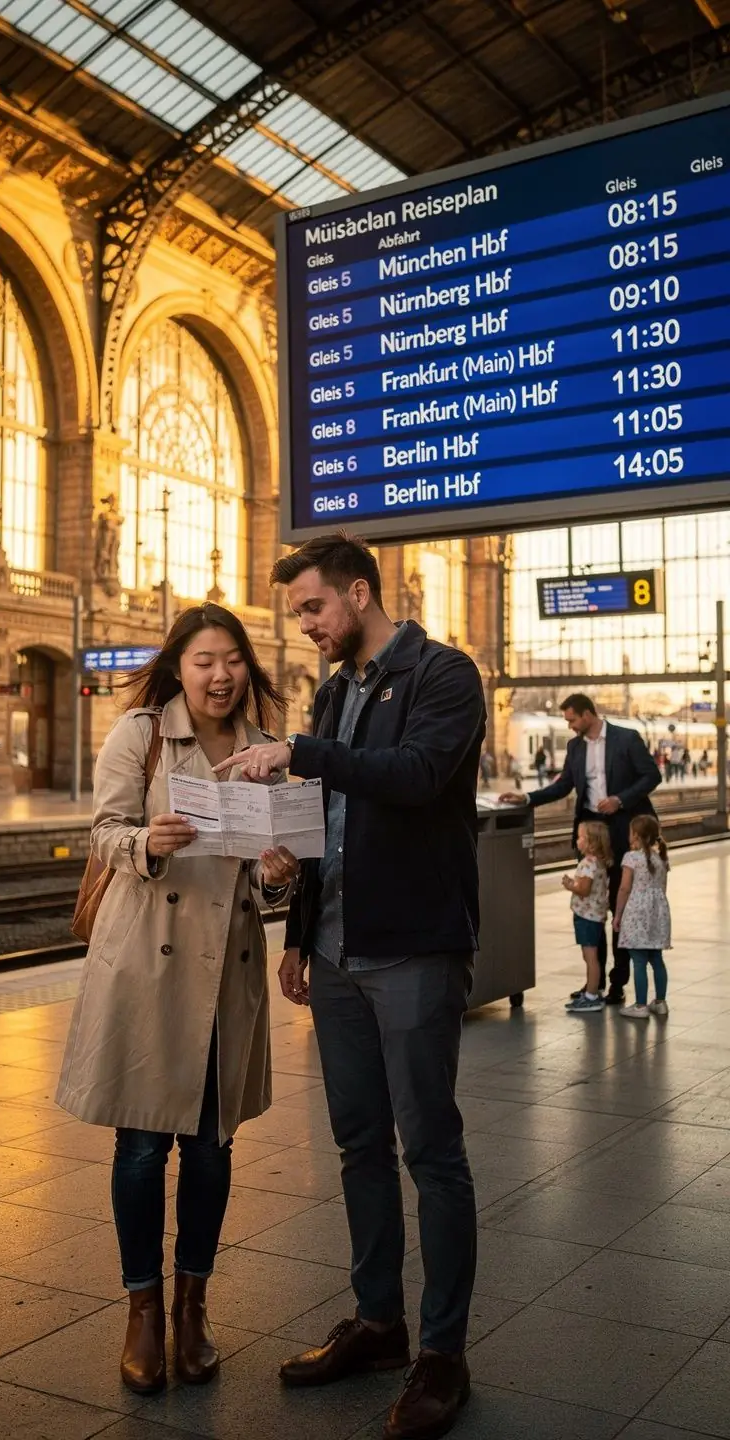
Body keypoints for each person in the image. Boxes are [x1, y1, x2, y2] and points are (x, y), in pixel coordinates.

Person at [214, 532, 486, 1440]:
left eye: (314, 609)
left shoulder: (445, 675)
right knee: (359, 1146)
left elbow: (413, 778)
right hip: (334, 956)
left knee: (431, 1153)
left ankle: (442, 1356)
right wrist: (295, 923)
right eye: (298, 614)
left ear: (360, 593)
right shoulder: (331, 691)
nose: (306, 628)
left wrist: (299, 751)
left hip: (412, 951)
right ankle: (379, 1322)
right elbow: (323, 820)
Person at [56, 604, 298, 1396]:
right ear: (179, 666)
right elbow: (103, 830)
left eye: (231, 660)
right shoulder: (142, 734)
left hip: (224, 966)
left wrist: (276, 873)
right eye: (204, 661)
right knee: (139, 1148)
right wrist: (143, 843)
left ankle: (193, 1309)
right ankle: (142, 1313)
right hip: (147, 967)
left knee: (212, 1146)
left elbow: (271, 866)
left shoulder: (267, 751)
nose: (220, 675)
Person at [501, 694, 661, 1004]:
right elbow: (564, 786)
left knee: (619, 905)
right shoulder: (575, 747)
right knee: (593, 910)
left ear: (588, 714)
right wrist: (528, 798)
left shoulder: (626, 739)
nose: (570, 725)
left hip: (623, 828)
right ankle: (595, 984)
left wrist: (620, 799)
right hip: (594, 835)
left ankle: (618, 982)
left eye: (572, 719)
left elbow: (652, 775)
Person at [614, 815, 672, 1020]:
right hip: (658, 912)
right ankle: (660, 1002)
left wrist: (618, 914)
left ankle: (640, 1006)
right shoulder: (661, 857)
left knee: (638, 960)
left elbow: (624, 888)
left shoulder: (631, 858)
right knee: (656, 959)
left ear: (636, 836)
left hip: (638, 912)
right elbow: (662, 888)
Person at [562, 820, 612, 1015]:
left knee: (590, 957)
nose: (577, 840)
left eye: (580, 837)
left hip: (586, 916)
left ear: (591, 843)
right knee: (591, 956)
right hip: (596, 915)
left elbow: (583, 889)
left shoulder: (587, 864)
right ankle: (593, 991)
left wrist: (569, 885)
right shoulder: (598, 862)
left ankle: (591, 996)